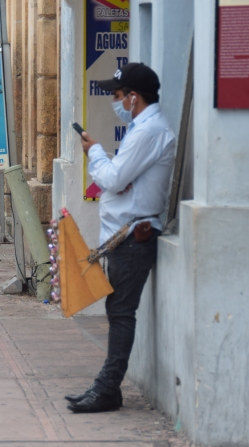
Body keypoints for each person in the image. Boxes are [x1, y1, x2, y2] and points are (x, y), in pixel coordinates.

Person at [65, 63, 176, 414]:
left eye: (117, 96)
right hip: (124, 233)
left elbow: (113, 179)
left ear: (133, 97)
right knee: (118, 311)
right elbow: (120, 179)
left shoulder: (149, 132)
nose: (115, 103)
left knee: (121, 312)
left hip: (134, 235)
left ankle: (108, 388)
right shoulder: (142, 129)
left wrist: (94, 153)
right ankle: (105, 387)